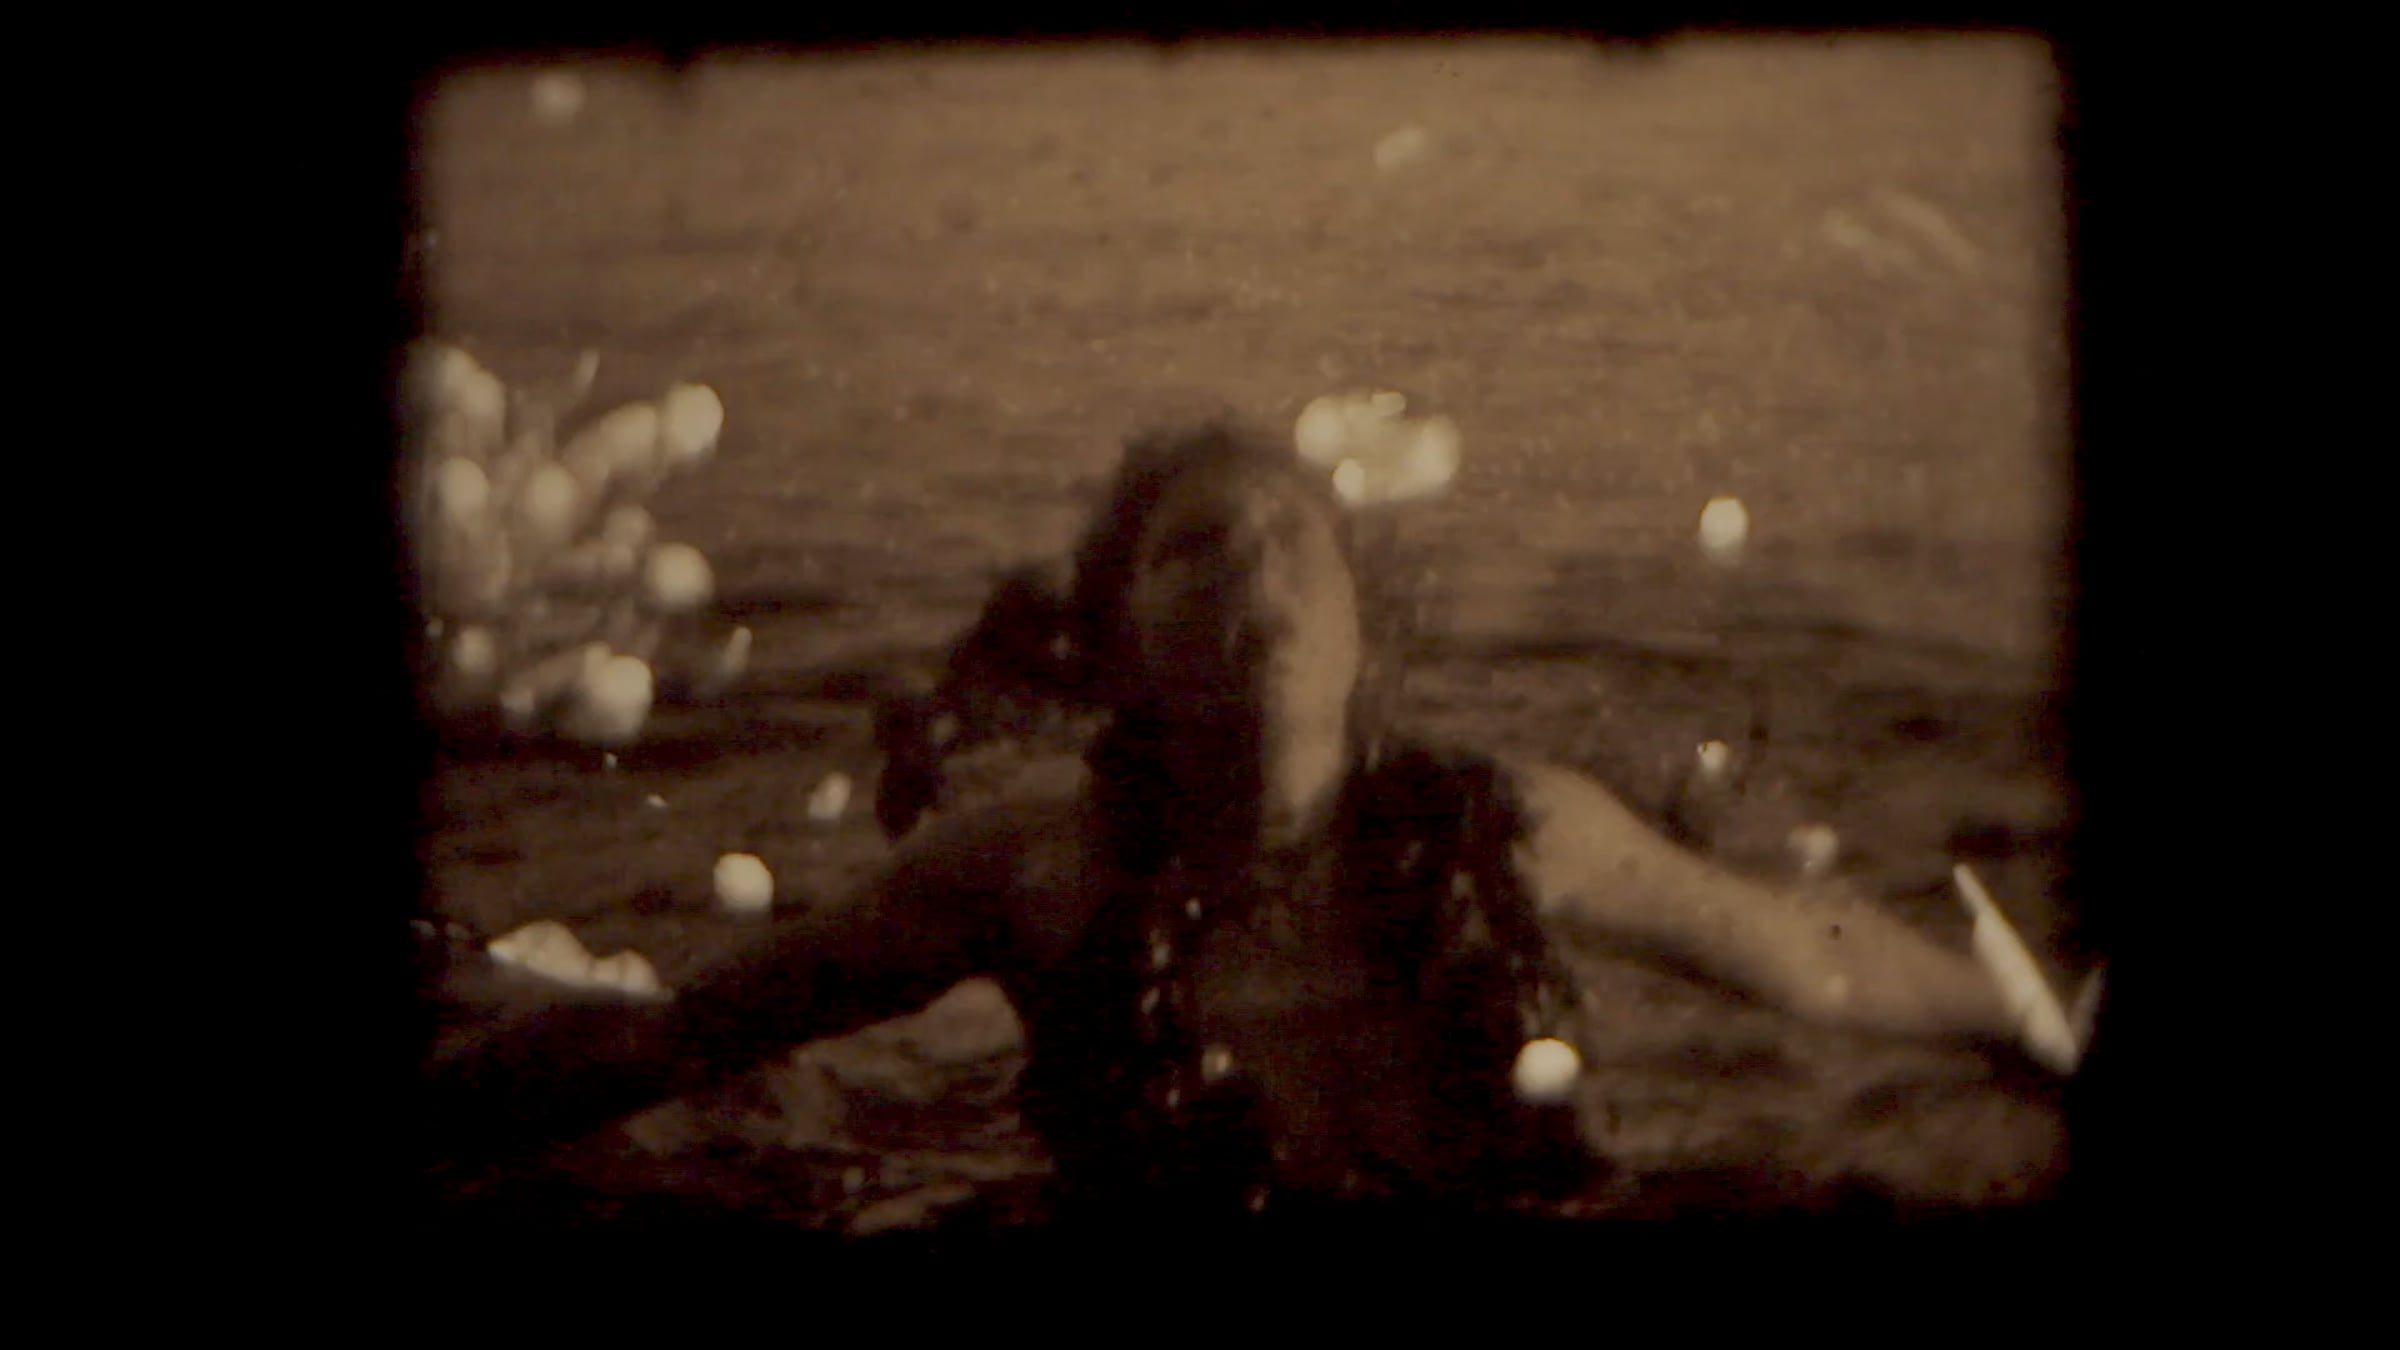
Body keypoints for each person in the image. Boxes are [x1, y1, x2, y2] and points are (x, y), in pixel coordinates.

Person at [419, 419, 2055, 1230]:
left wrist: (2033, 1024)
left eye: (1294, 538)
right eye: (1195, 548)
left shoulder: (1514, 823)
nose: (1255, 567)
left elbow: (1811, 953)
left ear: (1361, 629)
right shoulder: (1027, 866)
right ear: (1118, 644)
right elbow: (696, 1029)